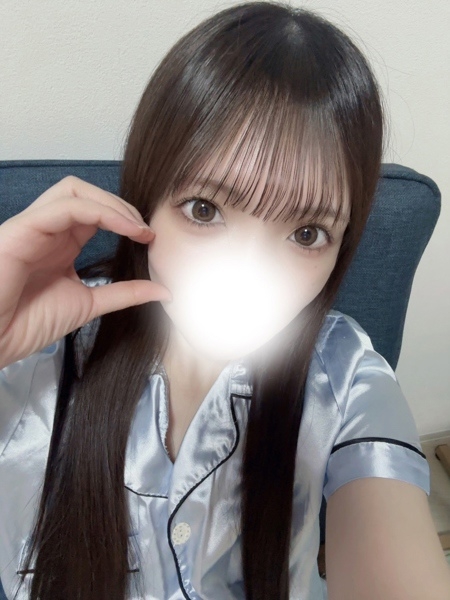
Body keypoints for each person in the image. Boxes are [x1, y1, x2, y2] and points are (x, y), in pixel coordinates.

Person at [0, 2, 448, 599]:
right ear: (145, 201)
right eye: (205, 209)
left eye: (306, 233)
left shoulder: (344, 380)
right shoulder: (33, 345)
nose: (249, 276)